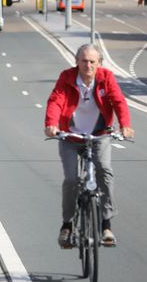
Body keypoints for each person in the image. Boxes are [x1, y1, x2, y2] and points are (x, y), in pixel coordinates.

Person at [44, 44, 133, 249]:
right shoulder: (67, 77)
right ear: (77, 61)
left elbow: (118, 101)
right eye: (84, 61)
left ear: (99, 63)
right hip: (71, 136)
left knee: (105, 171)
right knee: (71, 179)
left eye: (93, 61)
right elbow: (56, 100)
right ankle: (67, 225)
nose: (88, 65)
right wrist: (52, 124)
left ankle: (106, 225)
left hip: (98, 135)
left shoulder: (106, 78)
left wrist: (125, 125)